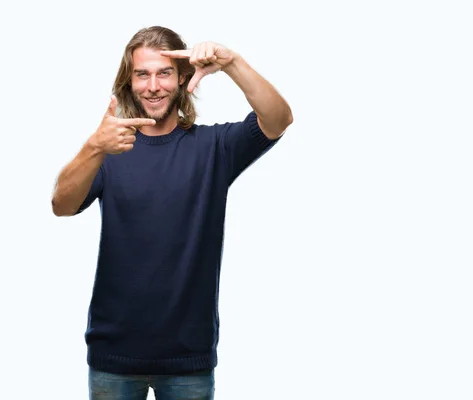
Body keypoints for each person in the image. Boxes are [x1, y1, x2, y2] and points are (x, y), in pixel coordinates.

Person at [51, 26, 293, 400]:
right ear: (128, 82)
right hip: (113, 357)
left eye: (164, 73)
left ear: (183, 79)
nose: (153, 86)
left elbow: (278, 119)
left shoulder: (213, 147)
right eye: (142, 74)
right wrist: (93, 148)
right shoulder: (110, 150)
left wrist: (231, 63)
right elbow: (61, 206)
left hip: (188, 360)